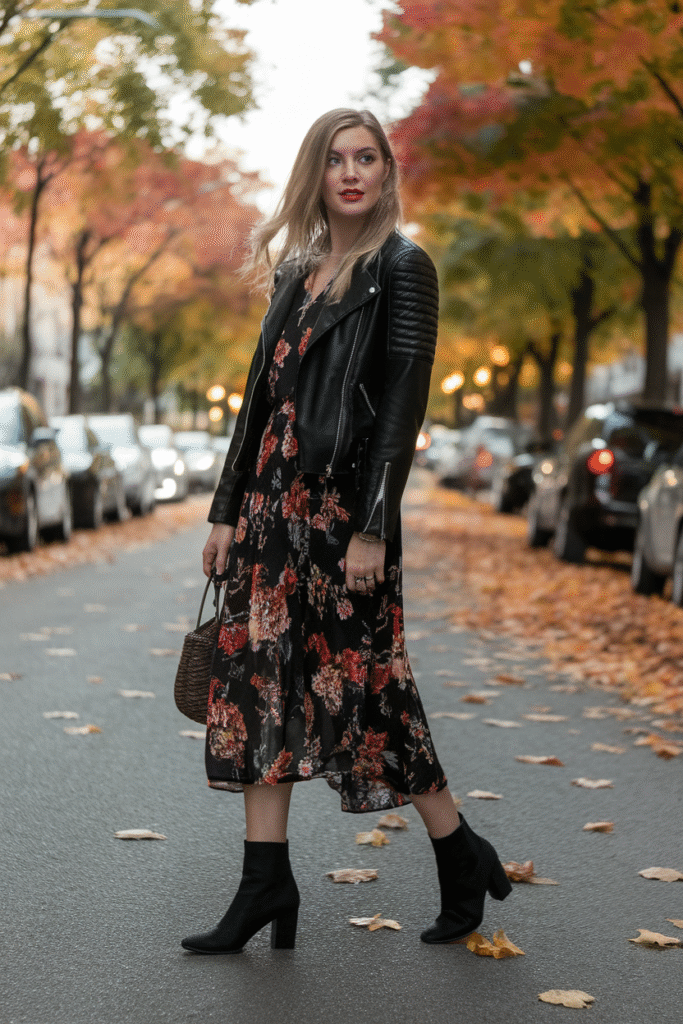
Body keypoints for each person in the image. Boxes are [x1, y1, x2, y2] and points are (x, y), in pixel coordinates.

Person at [181, 108, 511, 955]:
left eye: (367, 158)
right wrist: (225, 511)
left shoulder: (403, 267)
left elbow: (402, 410)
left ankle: (459, 853)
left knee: (369, 694)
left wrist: (373, 528)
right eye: (337, 160)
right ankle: (264, 883)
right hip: (268, 517)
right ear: (316, 174)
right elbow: (258, 402)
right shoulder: (295, 273)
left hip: (340, 523)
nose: (353, 173)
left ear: (385, 172)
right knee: (258, 687)